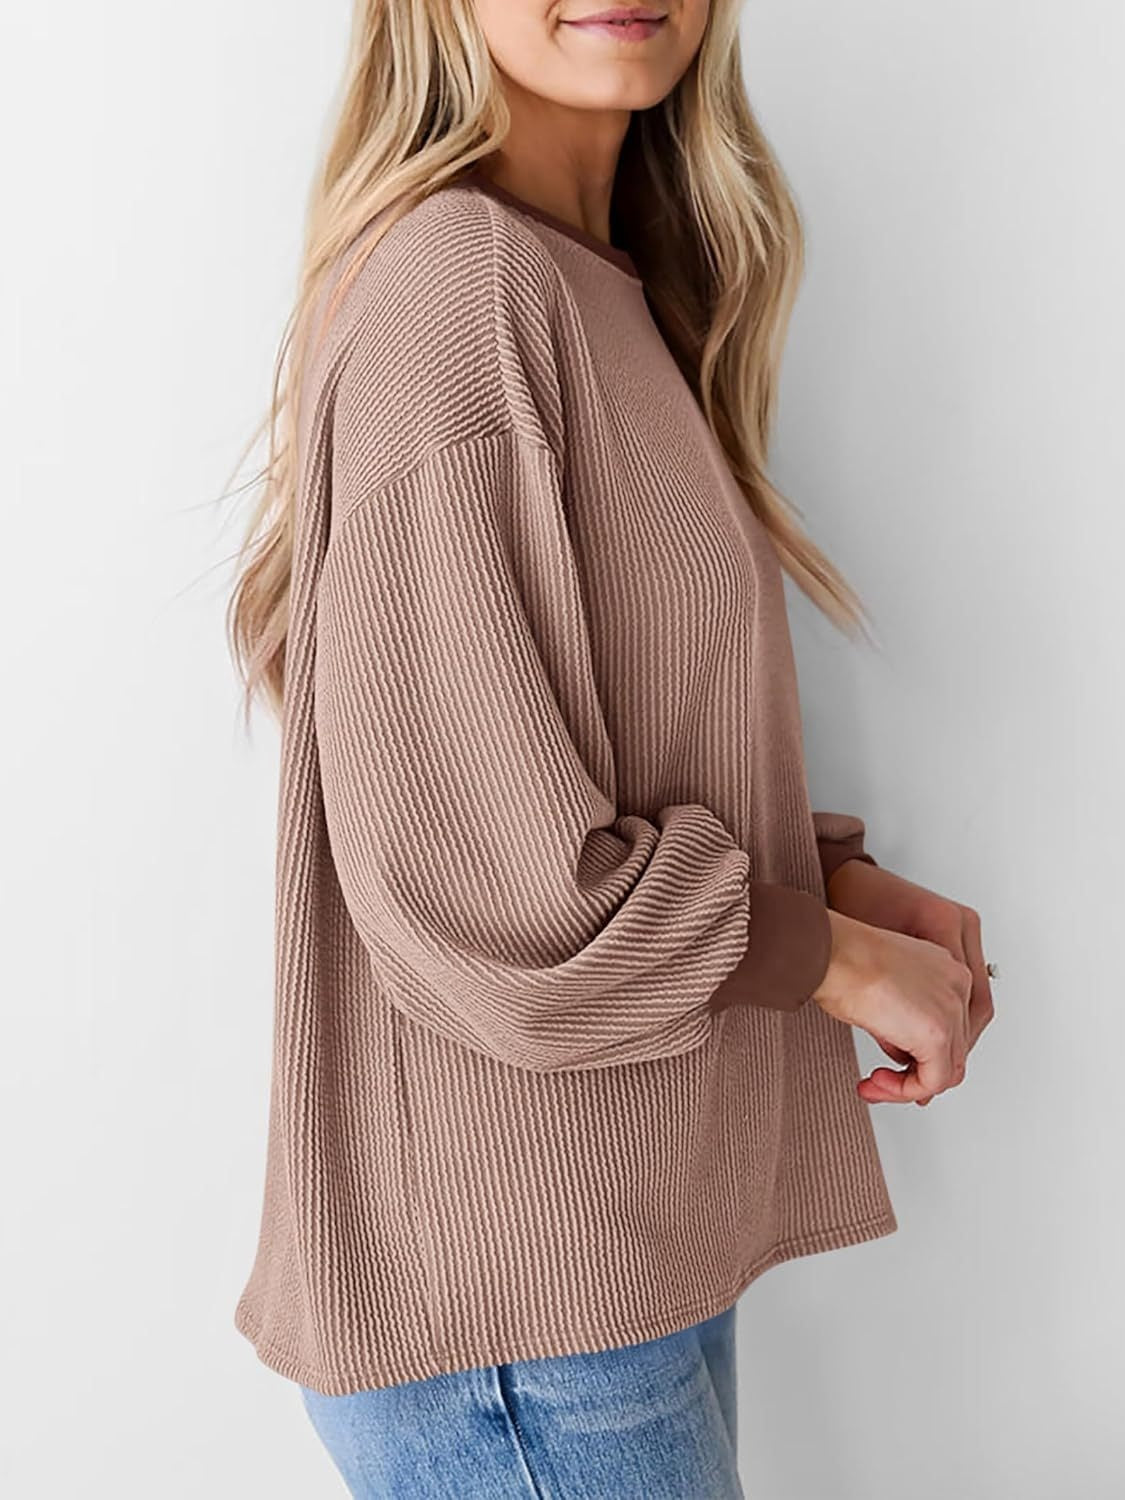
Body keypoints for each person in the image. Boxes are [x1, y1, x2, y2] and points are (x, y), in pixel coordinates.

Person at [225, 2, 996, 1494]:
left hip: (607, 1259)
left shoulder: (596, 281)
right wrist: (830, 959)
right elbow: (488, 888)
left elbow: (606, 735)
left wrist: (833, 891)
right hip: (516, 1312)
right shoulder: (458, 289)